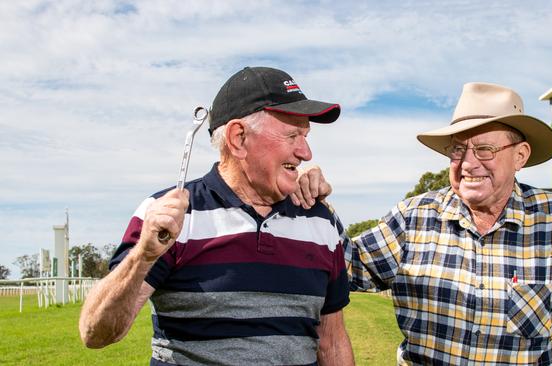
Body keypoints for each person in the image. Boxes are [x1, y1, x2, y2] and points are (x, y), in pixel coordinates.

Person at [300, 82, 552, 365]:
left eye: (485, 149)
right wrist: (317, 207)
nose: (468, 163)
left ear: (520, 156)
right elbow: (344, 266)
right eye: (458, 149)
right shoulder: (415, 218)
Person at [78, 66, 354, 366]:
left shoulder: (319, 220)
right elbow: (96, 334)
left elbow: (333, 342)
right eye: (292, 135)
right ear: (238, 138)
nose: (306, 153)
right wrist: (143, 256)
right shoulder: (171, 215)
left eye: (306, 136)